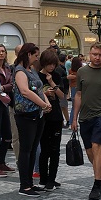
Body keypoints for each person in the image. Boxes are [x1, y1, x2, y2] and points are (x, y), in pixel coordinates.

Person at [72, 42, 101, 200]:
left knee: (97, 147)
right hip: (85, 116)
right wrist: (74, 118)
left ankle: (97, 184)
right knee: (90, 151)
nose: (97, 58)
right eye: (94, 54)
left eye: (100, 55)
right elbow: (78, 94)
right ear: (89, 54)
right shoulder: (82, 71)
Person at [12, 43, 52, 197]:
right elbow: (25, 91)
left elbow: (39, 90)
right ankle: (24, 185)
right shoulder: (20, 71)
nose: (37, 58)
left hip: (37, 114)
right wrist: (43, 104)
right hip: (26, 114)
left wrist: (46, 103)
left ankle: (30, 182)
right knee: (26, 149)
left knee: (33, 149)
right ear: (28, 54)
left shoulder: (31, 70)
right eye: (35, 55)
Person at [37, 48, 67, 191]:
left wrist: (52, 83)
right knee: (44, 149)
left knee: (55, 150)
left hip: (55, 116)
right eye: (49, 64)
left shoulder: (56, 75)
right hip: (43, 116)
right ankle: (43, 178)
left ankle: (51, 179)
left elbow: (62, 96)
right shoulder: (37, 76)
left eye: (54, 64)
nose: (51, 67)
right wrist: (44, 93)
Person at [0, 44, 15, 174]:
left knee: (7, 135)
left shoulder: (7, 68)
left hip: (5, 101)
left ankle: (2, 162)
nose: (1, 53)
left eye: (3, 51)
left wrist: (3, 88)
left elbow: (12, 84)